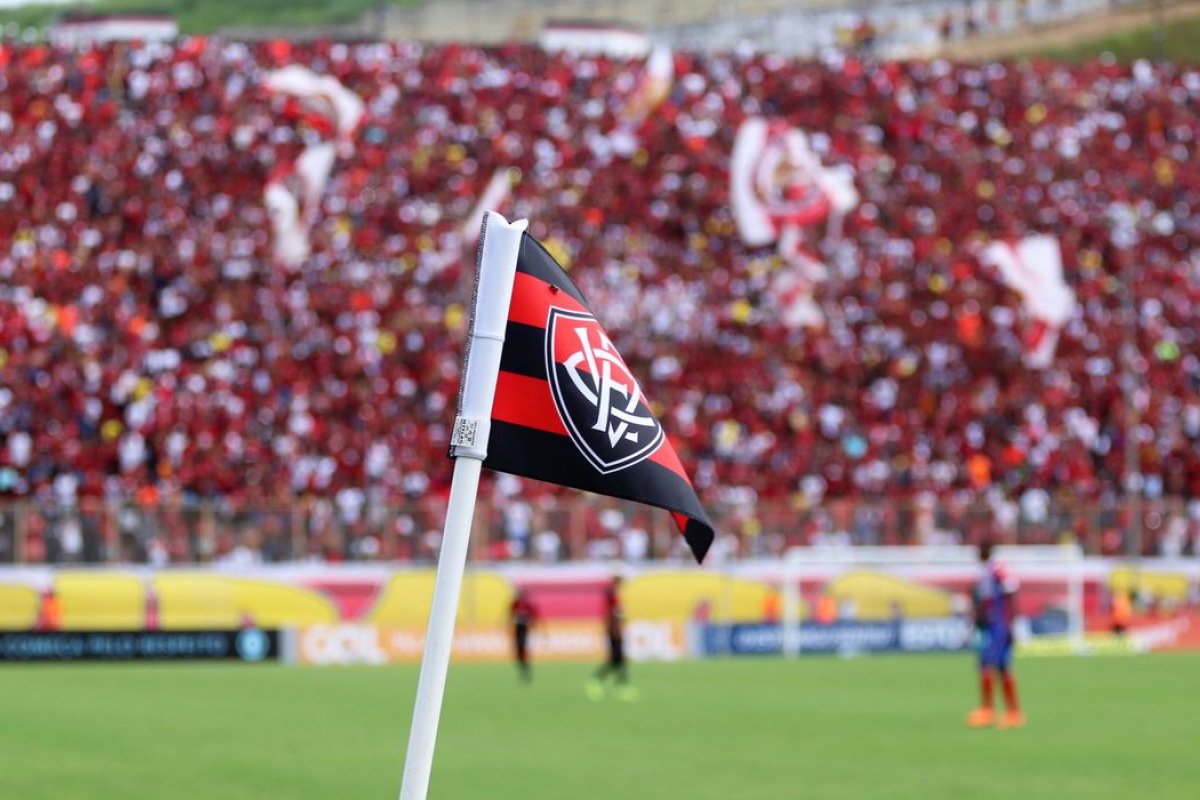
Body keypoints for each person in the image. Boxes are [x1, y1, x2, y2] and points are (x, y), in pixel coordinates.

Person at [967, 540, 1024, 728]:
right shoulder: (985, 571)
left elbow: (1011, 592)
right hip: (992, 625)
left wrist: (1011, 624)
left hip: (1000, 625)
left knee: (989, 663)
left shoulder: (997, 569)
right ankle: (1006, 712)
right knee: (998, 665)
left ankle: (996, 711)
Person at [586, 576, 638, 702]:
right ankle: (598, 680)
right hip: (614, 632)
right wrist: (616, 630)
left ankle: (620, 685)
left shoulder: (615, 596)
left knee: (619, 660)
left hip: (616, 630)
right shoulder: (612, 596)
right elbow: (613, 615)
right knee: (616, 659)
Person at [509, 588, 538, 683]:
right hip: (518, 628)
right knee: (518, 650)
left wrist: (529, 622)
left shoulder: (528, 604)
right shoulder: (515, 604)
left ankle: (526, 669)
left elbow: (534, 616)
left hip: (525, 629)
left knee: (523, 648)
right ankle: (522, 668)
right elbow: (511, 615)